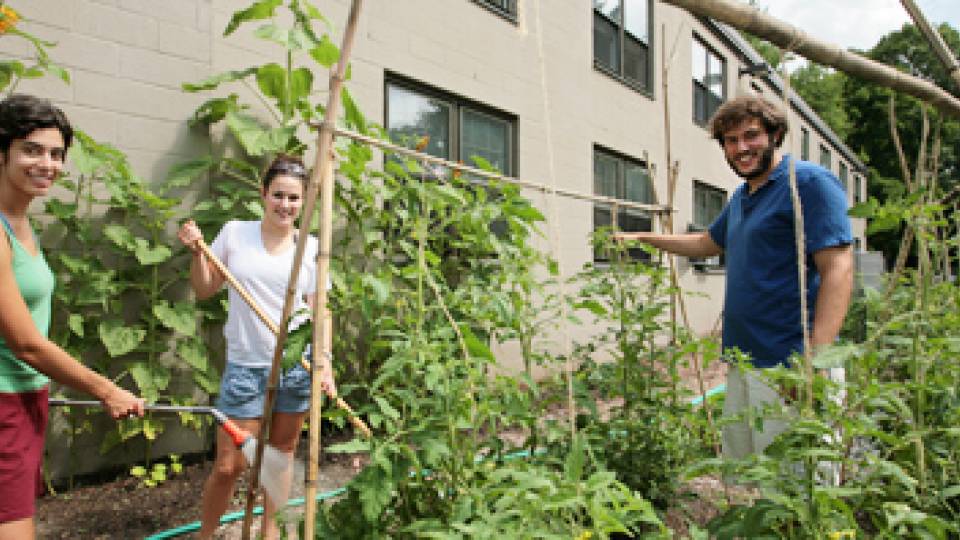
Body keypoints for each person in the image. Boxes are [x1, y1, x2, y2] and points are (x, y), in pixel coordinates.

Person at [614, 95, 854, 459]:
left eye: (751, 135)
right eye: (731, 140)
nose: (741, 148)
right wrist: (645, 238)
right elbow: (707, 242)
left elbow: (838, 269)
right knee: (753, 470)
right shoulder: (743, 196)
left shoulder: (807, 183)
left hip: (790, 360)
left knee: (798, 476)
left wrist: (814, 362)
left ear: (775, 135)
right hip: (747, 359)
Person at [0, 94, 145, 540]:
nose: (47, 164)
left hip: (24, 399)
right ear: (2, 152)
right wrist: (106, 390)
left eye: (56, 154)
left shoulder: (20, 222)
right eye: (32, 150)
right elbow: (26, 343)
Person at [177, 154, 337, 540]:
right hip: (246, 367)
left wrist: (325, 361)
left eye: (294, 198)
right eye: (278, 195)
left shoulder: (311, 247)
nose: (285, 205)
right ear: (263, 194)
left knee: (280, 457)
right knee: (229, 466)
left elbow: (321, 312)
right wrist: (198, 253)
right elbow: (204, 288)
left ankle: (270, 533)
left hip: (295, 365)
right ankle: (205, 536)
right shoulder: (235, 234)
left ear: (304, 202)